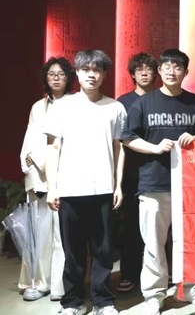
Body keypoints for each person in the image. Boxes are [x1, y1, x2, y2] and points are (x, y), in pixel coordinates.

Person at [121, 49, 195, 315]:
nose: (172, 71)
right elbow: (128, 138)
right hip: (153, 183)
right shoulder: (144, 103)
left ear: (186, 72)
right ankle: (154, 294)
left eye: (178, 67)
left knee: (190, 241)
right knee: (153, 243)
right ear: (159, 71)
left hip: (189, 185)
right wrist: (154, 148)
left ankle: (190, 288)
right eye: (167, 67)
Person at [45, 50, 127, 315]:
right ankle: (73, 302)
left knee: (103, 251)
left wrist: (118, 185)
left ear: (104, 74)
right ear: (77, 73)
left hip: (103, 189)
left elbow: (119, 149)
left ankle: (103, 301)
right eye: (86, 69)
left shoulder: (115, 107)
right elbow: (53, 148)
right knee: (73, 252)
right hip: (70, 190)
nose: (92, 75)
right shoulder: (62, 106)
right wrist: (52, 188)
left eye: (97, 70)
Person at [18, 57, 74, 302]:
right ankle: (39, 281)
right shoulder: (37, 107)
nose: (56, 78)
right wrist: (33, 165)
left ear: (68, 77)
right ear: (45, 77)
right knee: (39, 232)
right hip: (39, 178)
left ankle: (61, 284)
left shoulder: (75, 104)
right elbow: (29, 142)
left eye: (61, 74)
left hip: (68, 175)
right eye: (52, 74)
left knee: (63, 234)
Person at [116, 52, 158, 293]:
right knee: (131, 226)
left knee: (159, 228)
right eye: (139, 69)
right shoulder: (122, 102)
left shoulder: (161, 99)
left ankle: (160, 274)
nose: (144, 73)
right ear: (132, 74)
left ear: (155, 73)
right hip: (132, 173)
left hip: (158, 171)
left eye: (148, 68)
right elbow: (119, 141)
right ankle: (129, 273)